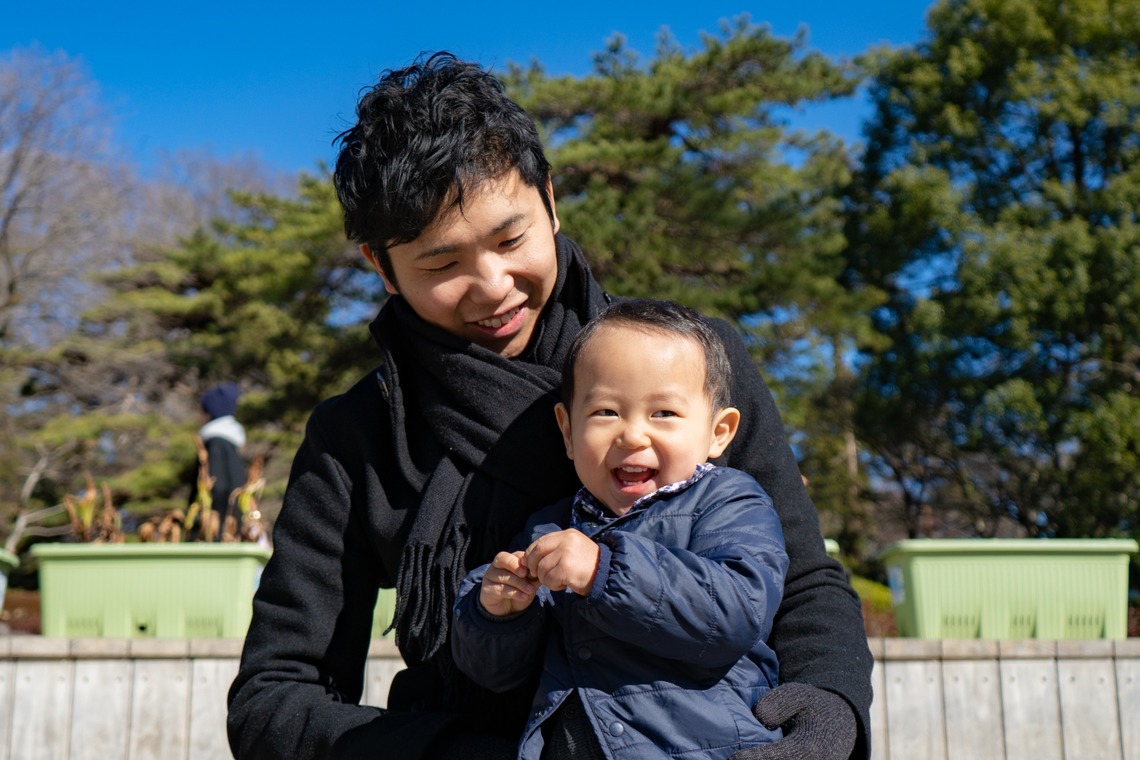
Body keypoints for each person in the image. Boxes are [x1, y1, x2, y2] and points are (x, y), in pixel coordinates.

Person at [227, 51, 873, 760]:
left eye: (512, 239)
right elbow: (273, 699)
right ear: (379, 266)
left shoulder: (687, 367)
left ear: (552, 201)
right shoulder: (358, 436)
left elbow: (802, 582)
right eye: (442, 265)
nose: (492, 286)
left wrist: (827, 712)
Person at [451, 299, 789, 758]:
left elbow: (737, 609)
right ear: (567, 432)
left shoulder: (728, 501)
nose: (632, 435)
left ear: (719, 432)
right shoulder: (550, 527)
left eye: (664, 413)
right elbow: (495, 675)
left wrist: (605, 571)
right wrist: (498, 613)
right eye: (606, 412)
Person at [193, 382, 247, 540]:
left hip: (215, 534)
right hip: (232, 532)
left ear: (210, 414)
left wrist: (201, 529)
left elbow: (217, 488)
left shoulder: (215, 444)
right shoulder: (230, 445)